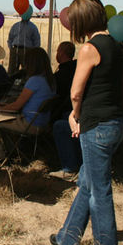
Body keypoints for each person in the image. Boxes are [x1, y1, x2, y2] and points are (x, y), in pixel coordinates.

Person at [50, 0, 123, 245]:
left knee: (99, 190)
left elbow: (76, 92)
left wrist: (74, 115)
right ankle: (67, 238)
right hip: (116, 122)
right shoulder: (118, 45)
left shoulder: (89, 49)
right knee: (88, 181)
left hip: (96, 126)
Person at [0, 47, 55, 159]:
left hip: (30, 124)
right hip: (43, 123)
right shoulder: (50, 80)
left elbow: (16, 106)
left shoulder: (34, 81)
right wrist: (4, 107)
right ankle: (10, 150)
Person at [49, 41, 81, 180]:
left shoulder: (61, 75)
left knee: (60, 127)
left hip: (68, 112)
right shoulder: (77, 69)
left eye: (57, 51)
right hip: (73, 111)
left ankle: (69, 167)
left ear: (61, 53)